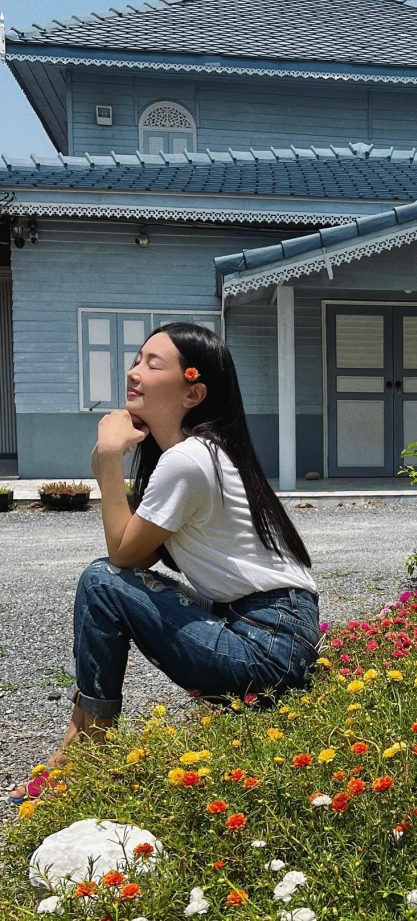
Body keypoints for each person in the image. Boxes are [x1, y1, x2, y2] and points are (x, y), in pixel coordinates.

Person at [9, 322, 320, 805]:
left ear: (192, 392)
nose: (134, 372)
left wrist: (107, 464)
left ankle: (87, 741)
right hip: (271, 636)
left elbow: (122, 558)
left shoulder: (190, 460)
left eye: (153, 364)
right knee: (109, 580)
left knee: (101, 578)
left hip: (261, 648)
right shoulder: (196, 455)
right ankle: (89, 737)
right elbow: (144, 554)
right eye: (137, 360)